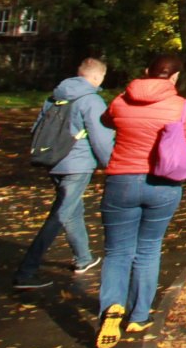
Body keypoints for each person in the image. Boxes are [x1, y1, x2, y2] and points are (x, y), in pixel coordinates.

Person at [95, 53, 186, 348]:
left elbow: (106, 119)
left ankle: (112, 306)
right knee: (148, 248)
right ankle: (139, 315)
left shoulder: (121, 100)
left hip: (121, 181)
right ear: (174, 78)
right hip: (164, 185)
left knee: (117, 251)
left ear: (146, 72)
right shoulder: (182, 106)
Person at [13, 59, 116, 291]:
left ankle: (84, 258)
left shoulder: (54, 97)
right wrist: (111, 164)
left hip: (53, 161)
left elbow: (37, 128)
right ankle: (26, 271)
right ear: (98, 77)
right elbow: (101, 138)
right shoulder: (92, 101)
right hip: (77, 164)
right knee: (59, 215)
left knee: (71, 210)